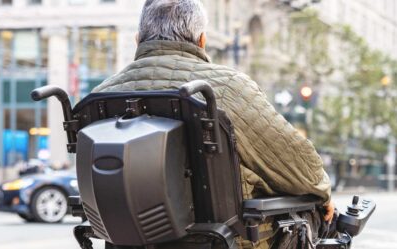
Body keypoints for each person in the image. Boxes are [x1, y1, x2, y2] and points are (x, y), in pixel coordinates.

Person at [91, 0, 334, 247]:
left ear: (137, 39)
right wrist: (323, 193)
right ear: (202, 41)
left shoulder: (100, 96)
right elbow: (300, 165)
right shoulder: (228, 88)